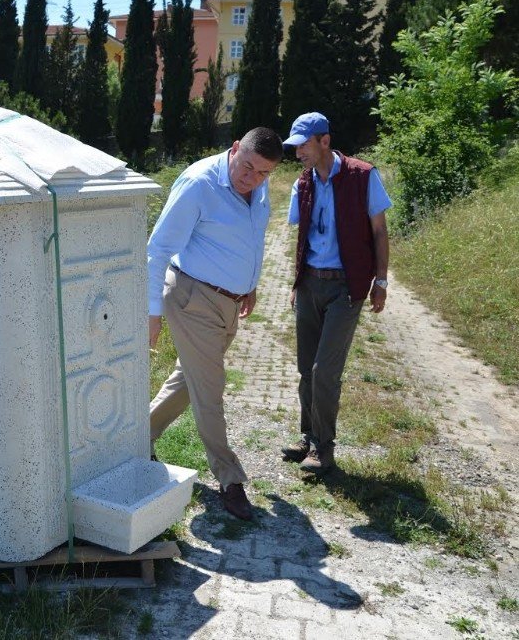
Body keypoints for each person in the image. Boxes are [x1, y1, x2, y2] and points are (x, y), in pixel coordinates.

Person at [148, 127, 284, 521]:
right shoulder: (199, 183)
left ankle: (137, 439)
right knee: (210, 388)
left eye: (262, 173)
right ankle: (229, 479)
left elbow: (254, 237)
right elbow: (157, 248)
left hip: (227, 301)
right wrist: (151, 312)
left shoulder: (257, 189)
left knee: (189, 379)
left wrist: (251, 284)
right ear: (235, 147)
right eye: (247, 167)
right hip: (192, 297)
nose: (252, 178)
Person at [281, 112, 391, 473]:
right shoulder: (304, 183)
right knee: (305, 369)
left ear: (324, 141)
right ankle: (308, 436)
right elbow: (300, 236)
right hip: (311, 281)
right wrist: (297, 282)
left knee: (324, 370)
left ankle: (323, 449)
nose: (298, 153)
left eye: (303, 145)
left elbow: (379, 232)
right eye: (294, 147)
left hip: (347, 286)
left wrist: (381, 281)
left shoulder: (363, 176)